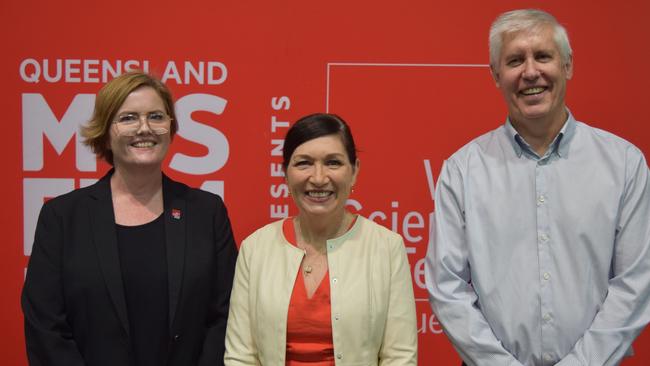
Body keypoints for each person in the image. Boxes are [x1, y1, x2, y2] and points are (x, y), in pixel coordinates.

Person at [426, 9, 650, 366]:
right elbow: (446, 286)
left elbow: (636, 282)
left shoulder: (624, 164)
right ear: (496, 75)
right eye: (515, 60)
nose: (530, 72)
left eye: (543, 56)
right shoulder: (461, 171)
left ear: (568, 66)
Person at [21, 71, 237, 366]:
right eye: (128, 118)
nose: (144, 128)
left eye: (156, 117)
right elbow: (46, 327)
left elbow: (225, 315)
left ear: (170, 128)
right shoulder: (62, 217)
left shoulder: (206, 212)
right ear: (105, 133)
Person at [224, 113, 417, 365]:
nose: (318, 177)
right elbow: (241, 356)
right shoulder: (255, 249)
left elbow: (400, 357)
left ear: (354, 171)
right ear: (285, 173)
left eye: (333, 163)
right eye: (303, 163)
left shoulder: (386, 248)